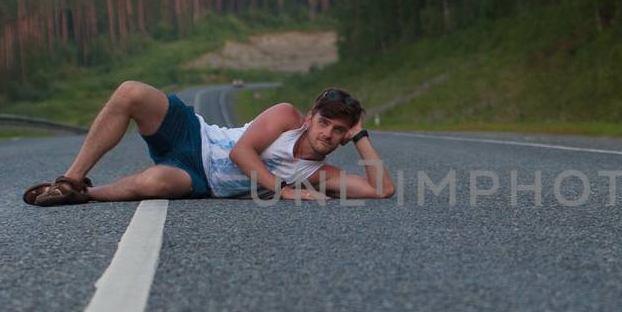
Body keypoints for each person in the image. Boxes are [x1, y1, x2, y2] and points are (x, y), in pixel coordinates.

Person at [22, 82, 394, 205]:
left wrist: (360, 135)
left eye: (337, 130)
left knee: (153, 185)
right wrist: (282, 190)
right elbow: (240, 152)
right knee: (130, 92)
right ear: (310, 117)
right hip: (195, 134)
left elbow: (382, 190)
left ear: (343, 136)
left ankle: (83, 195)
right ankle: (70, 179)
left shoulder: (318, 174)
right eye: (323, 121)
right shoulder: (285, 117)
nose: (326, 132)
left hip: (200, 180)